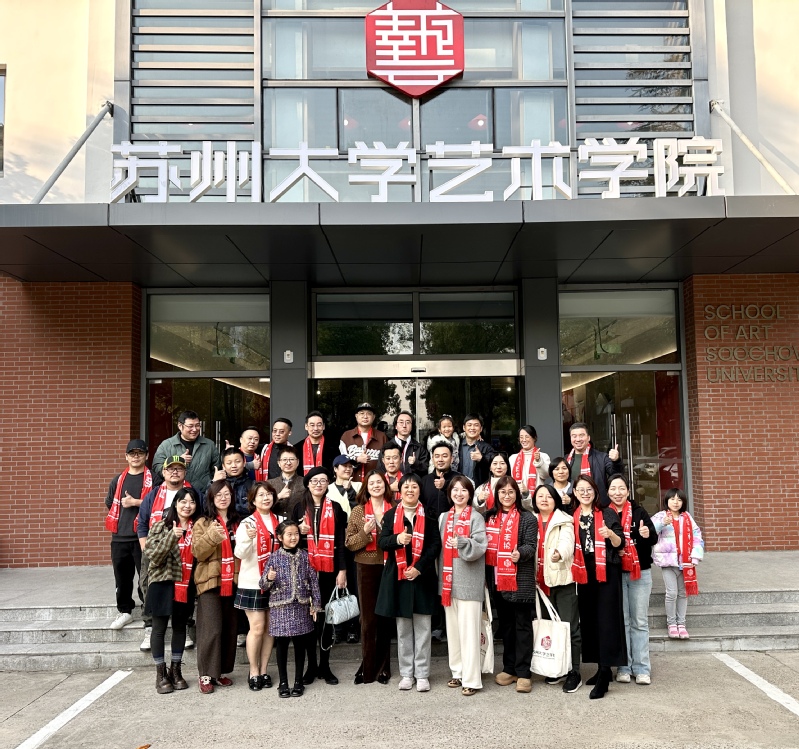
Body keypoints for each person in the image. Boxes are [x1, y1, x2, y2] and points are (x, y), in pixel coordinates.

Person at [377, 474, 442, 692]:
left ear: (419, 490)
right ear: (400, 490)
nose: (410, 490)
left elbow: (435, 545)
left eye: (414, 486)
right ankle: (406, 673)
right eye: (406, 487)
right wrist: (397, 539)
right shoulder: (390, 515)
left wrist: (419, 567)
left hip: (422, 577)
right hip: (398, 577)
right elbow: (382, 542)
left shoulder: (429, 515)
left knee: (423, 628)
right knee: (403, 629)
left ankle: (422, 674)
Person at [572, 474, 627, 699]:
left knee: (606, 621)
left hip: (606, 571)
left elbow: (621, 542)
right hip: (584, 572)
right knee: (590, 621)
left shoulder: (607, 513)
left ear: (595, 492)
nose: (585, 493)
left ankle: (605, 673)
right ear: (575, 493)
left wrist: (610, 533)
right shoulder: (572, 515)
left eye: (589, 489)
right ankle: (599, 667)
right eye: (581, 490)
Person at [291, 466, 348, 686]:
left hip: (328, 570)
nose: (318, 484)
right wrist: (298, 532)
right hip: (304, 571)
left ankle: (325, 665)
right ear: (307, 484)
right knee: (308, 619)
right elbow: (288, 541)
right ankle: (311, 666)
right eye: (314, 481)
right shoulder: (299, 507)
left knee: (326, 619)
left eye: (323, 481)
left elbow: (341, 541)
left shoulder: (335, 508)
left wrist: (342, 570)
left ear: (328, 484)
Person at [144, 487, 201, 694]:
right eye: (183, 501)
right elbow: (153, 555)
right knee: (159, 628)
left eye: (192, 502)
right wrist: (171, 537)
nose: (187, 506)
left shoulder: (198, 527)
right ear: (175, 504)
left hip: (186, 584)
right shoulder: (161, 526)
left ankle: (176, 671)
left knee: (180, 627)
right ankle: (161, 674)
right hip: (163, 582)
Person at [486, 476, 537, 694]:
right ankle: (509, 668)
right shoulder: (490, 517)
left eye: (510, 492)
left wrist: (520, 553)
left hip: (520, 579)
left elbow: (531, 545)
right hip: (498, 579)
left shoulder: (527, 518)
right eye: (502, 492)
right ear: (496, 494)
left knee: (522, 626)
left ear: (517, 494)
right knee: (506, 626)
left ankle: (524, 672)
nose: (506, 496)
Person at [136, 455, 192, 652]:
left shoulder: (192, 494)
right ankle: (149, 626)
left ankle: (185, 626)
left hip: (185, 549)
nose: (175, 472)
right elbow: (142, 523)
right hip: (155, 550)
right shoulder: (153, 495)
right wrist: (147, 549)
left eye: (179, 468)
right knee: (148, 586)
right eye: (171, 469)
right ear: (164, 472)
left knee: (184, 588)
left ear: (185, 472)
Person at [531, 484, 583, 694]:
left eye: (549, 496)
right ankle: (557, 669)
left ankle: (575, 672)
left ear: (556, 500)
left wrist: (559, 553)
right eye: (540, 496)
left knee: (569, 627)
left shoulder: (564, 521)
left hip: (562, 581)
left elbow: (567, 543)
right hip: (540, 584)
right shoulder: (530, 520)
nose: (544, 499)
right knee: (550, 628)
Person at [438, 476, 487, 697]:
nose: (459, 494)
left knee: (469, 633)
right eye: (455, 490)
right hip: (448, 582)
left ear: (470, 494)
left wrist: (462, 542)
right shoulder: (443, 517)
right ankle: (457, 672)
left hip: (469, 581)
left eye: (464, 490)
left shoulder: (476, 517)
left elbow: (481, 546)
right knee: (454, 632)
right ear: (450, 493)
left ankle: (472, 679)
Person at [345, 470, 395, 684]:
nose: (376, 486)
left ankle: (384, 667)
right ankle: (367, 667)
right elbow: (349, 543)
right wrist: (365, 532)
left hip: (390, 566)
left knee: (385, 618)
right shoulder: (358, 511)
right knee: (367, 619)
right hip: (366, 567)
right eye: (372, 483)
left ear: (385, 485)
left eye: (379, 482)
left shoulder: (394, 508)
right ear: (366, 487)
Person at [606, 474, 657, 685]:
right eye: (613, 488)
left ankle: (642, 668)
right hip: (616, 575)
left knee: (639, 622)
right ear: (608, 491)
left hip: (640, 573)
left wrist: (646, 534)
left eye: (621, 488)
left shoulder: (639, 512)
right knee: (623, 622)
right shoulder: (605, 513)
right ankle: (624, 667)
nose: (617, 492)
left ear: (628, 491)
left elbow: (653, 538)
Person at [262, 520, 322, 698]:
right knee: (281, 644)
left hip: (301, 605)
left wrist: (316, 605)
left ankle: (298, 682)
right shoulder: (274, 557)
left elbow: (313, 581)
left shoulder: (305, 556)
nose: (294, 537)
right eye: (289, 534)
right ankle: (283, 683)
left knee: (299, 644)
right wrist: (269, 578)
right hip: (280, 606)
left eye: (296, 534)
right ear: (280, 537)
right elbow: (263, 584)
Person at [192, 480, 241, 694]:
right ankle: (205, 674)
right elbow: (197, 552)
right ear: (211, 498)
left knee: (229, 629)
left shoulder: (238, 521)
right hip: (210, 581)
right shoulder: (203, 522)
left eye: (226, 494)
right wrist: (212, 535)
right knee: (211, 629)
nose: (223, 498)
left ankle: (219, 672)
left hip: (234, 581)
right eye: (218, 494)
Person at [234, 482, 281, 691]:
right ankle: (253, 671)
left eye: (269, 494)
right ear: (253, 500)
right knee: (258, 627)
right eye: (261, 495)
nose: (266, 498)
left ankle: (263, 670)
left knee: (270, 629)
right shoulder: (247, 523)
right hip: (252, 582)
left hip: (275, 582)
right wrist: (248, 540)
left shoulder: (280, 521)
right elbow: (239, 554)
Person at [104, 439, 152, 631]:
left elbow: (158, 503)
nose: (136, 456)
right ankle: (125, 611)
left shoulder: (153, 479)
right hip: (120, 537)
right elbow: (110, 503)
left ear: (146, 456)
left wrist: (136, 503)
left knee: (145, 578)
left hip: (143, 536)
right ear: (126, 456)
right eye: (132, 453)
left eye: (140, 453)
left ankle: (149, 614)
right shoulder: (118, 480)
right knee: (122, 578)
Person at [651, 488, 705, 640]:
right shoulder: (661, 516)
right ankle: (671, 624)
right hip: (668, 562)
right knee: (672, 593)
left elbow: (697, 536)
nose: (676, 502)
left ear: (683, 502)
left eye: (679, 499)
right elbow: (651, 532)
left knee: (682, 593)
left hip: (685, 562)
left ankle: (681, 624)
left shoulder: (687, 517)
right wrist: (662, 524)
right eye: (672, 499)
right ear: (666, 501)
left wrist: (695, 557)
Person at [152, 410, 221, 496]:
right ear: (180, 426)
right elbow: (157, 468)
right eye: (190, 426)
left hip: (203, 494)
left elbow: (217, 469)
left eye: (197, 425)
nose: (194, 429)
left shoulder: (209, 445)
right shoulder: (166, 445)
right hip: (175, 495)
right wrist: (177, 461)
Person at [566, 422, 623, 506]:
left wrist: (616, 461)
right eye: (574, 436)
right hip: (574, 507)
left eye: (581, 435)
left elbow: (616, 475)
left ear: (588, 438)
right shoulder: (566, 460)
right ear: (571, 439)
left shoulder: (602, 457)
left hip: (598, 506)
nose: (578, 439)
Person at [339, 402, 387, 483]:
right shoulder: (346, 436)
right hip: (351, 483)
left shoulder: (382, 437)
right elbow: (341, 461)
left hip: (375, 484)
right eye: (362, 413)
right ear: (356, 416)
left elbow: (386, 462)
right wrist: (357, 459)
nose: (365, 416)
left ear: (374, 417)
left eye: (369, 414)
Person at [509, 425, 551, 508]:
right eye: (521, 437)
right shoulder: (513, 458)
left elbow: (546, 475)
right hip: (517, 500)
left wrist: (538, 461)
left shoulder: (543, 456)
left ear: (534, 438)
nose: (524, 440)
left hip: (537, 500)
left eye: (527, 437)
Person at [421, 442, 462, 517]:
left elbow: (464, 502)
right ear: (432, 459)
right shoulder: (424, 481)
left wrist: (445, 487)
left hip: (453, 522)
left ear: (451, 459)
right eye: (437, 456)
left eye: (444, 456)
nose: (440, 459)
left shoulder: (460, 479)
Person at [295, 411, 339, 476]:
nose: (315, 429)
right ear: (306, 426)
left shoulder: (333, 447)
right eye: (312, 425)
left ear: (323, 426)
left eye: (319, 425)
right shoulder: (297, 448)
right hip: (302, 482)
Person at [213, 447, 253, 517]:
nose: (234, 466)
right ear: (223, 466)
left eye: (237, 462)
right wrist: (214, 483)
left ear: (244, 463)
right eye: (229, 463)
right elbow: (207, 506)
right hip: (223, 522)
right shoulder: (218, 483)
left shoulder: (252, 485)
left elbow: (255, 508)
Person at [266, 445, 305, 517]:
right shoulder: (269, 484)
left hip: (297, 523)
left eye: (292, 459)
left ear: (298, 462)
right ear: (279, 463)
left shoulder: (305, 483)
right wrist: (278, 497)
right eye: (284, 460)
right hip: (274, 522)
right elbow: (262, 506)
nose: (288, 463)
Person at [458, 413, 495, 487]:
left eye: (476, 425)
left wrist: (482, 459)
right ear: (464, 428)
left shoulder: (487, 448)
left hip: (479, 489)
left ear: (481, 429)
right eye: (469, 425)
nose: (472, 428)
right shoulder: (457, 445)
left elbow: (494, 467)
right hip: (458, 488)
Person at [389, 410, 429, 477]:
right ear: (396, 426)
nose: (404, 426)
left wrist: (416, 463)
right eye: (401, 422)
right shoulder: (387, 447)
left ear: (412, 426)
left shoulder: (419, 448)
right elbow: (381, 470)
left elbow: (425, 470)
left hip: (412, 483)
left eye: (408, 422)